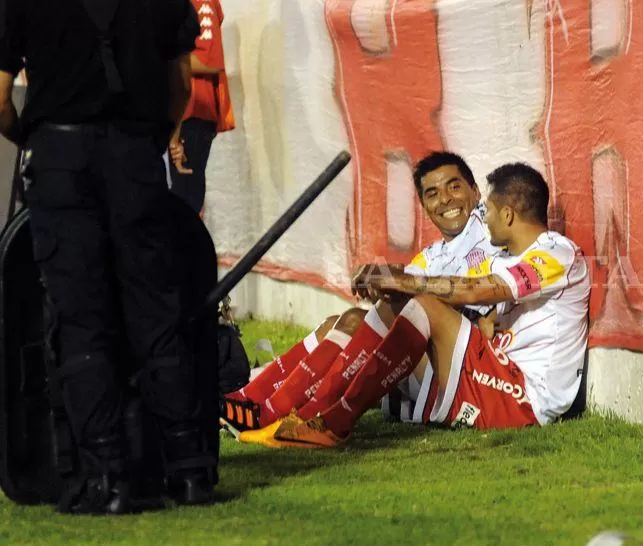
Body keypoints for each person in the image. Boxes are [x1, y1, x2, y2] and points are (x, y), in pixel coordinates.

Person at [0, 0, 213, 514]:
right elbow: (180, 87)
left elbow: (0, 98)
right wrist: (148, 142)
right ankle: (189, 473)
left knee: (81, 321)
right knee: (158, 314)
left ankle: (106, 477)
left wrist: (35, 140)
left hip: (60, 159)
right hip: (136, 158)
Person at [266, 162, 591, 448]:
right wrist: (393, 281)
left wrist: (406, 283)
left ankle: (335, 421)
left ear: (507, 214)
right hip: (492, 372)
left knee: (423, 304)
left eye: (487, 211)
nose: (484, 219)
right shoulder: (505, 258)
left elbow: (474, 291)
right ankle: (302, 412)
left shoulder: (557, 251)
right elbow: (476, 301)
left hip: (523, 398)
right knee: (379, 312)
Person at [220, 151, 501, 440]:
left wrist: (392, 279)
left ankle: (290, 416)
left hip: (468, 367)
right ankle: (249, 400)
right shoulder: (430, 256)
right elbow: (403, 291)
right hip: (426, 360)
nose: (445, 200)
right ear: (425, 206)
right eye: (432, 194)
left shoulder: (492, 228)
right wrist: (381, 280)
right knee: (338, 323)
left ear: (476, 191)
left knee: (358, 320)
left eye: (454, 187)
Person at [167, 0, 235, 214]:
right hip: (175, 115)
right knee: (177, 199)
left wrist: (157, 58)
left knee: (185, 200)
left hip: (194, 112)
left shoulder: (201, 2)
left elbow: (210, 61)